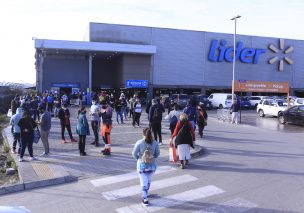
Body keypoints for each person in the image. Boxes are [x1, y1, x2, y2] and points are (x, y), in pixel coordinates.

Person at [132, 128, 160, 206]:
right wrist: (152, 157)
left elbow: (134, 154)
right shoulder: (155, 142)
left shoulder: (139, 142)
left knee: (143, 181)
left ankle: (145, 198)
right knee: (148, 181)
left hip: (142, 166)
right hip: (152, 166)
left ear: (143, 134)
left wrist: (139, 158)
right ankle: (146, 192)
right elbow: (157, 154)